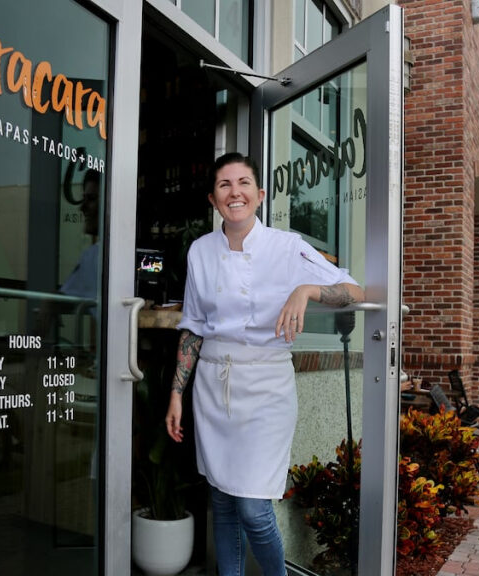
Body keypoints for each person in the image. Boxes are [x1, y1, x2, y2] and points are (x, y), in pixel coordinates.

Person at [165, 152, 364, 575]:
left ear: (259, 194)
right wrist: (176, 394)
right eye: (224, 185)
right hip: (212, 388)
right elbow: (194, 327)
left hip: (268, 389)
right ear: (213, 198)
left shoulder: (287, 247)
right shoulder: (200, 252)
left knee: (254, 509)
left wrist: (307, 290)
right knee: (221, 499)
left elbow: (354, 290)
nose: (234, 192)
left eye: (242, 183)